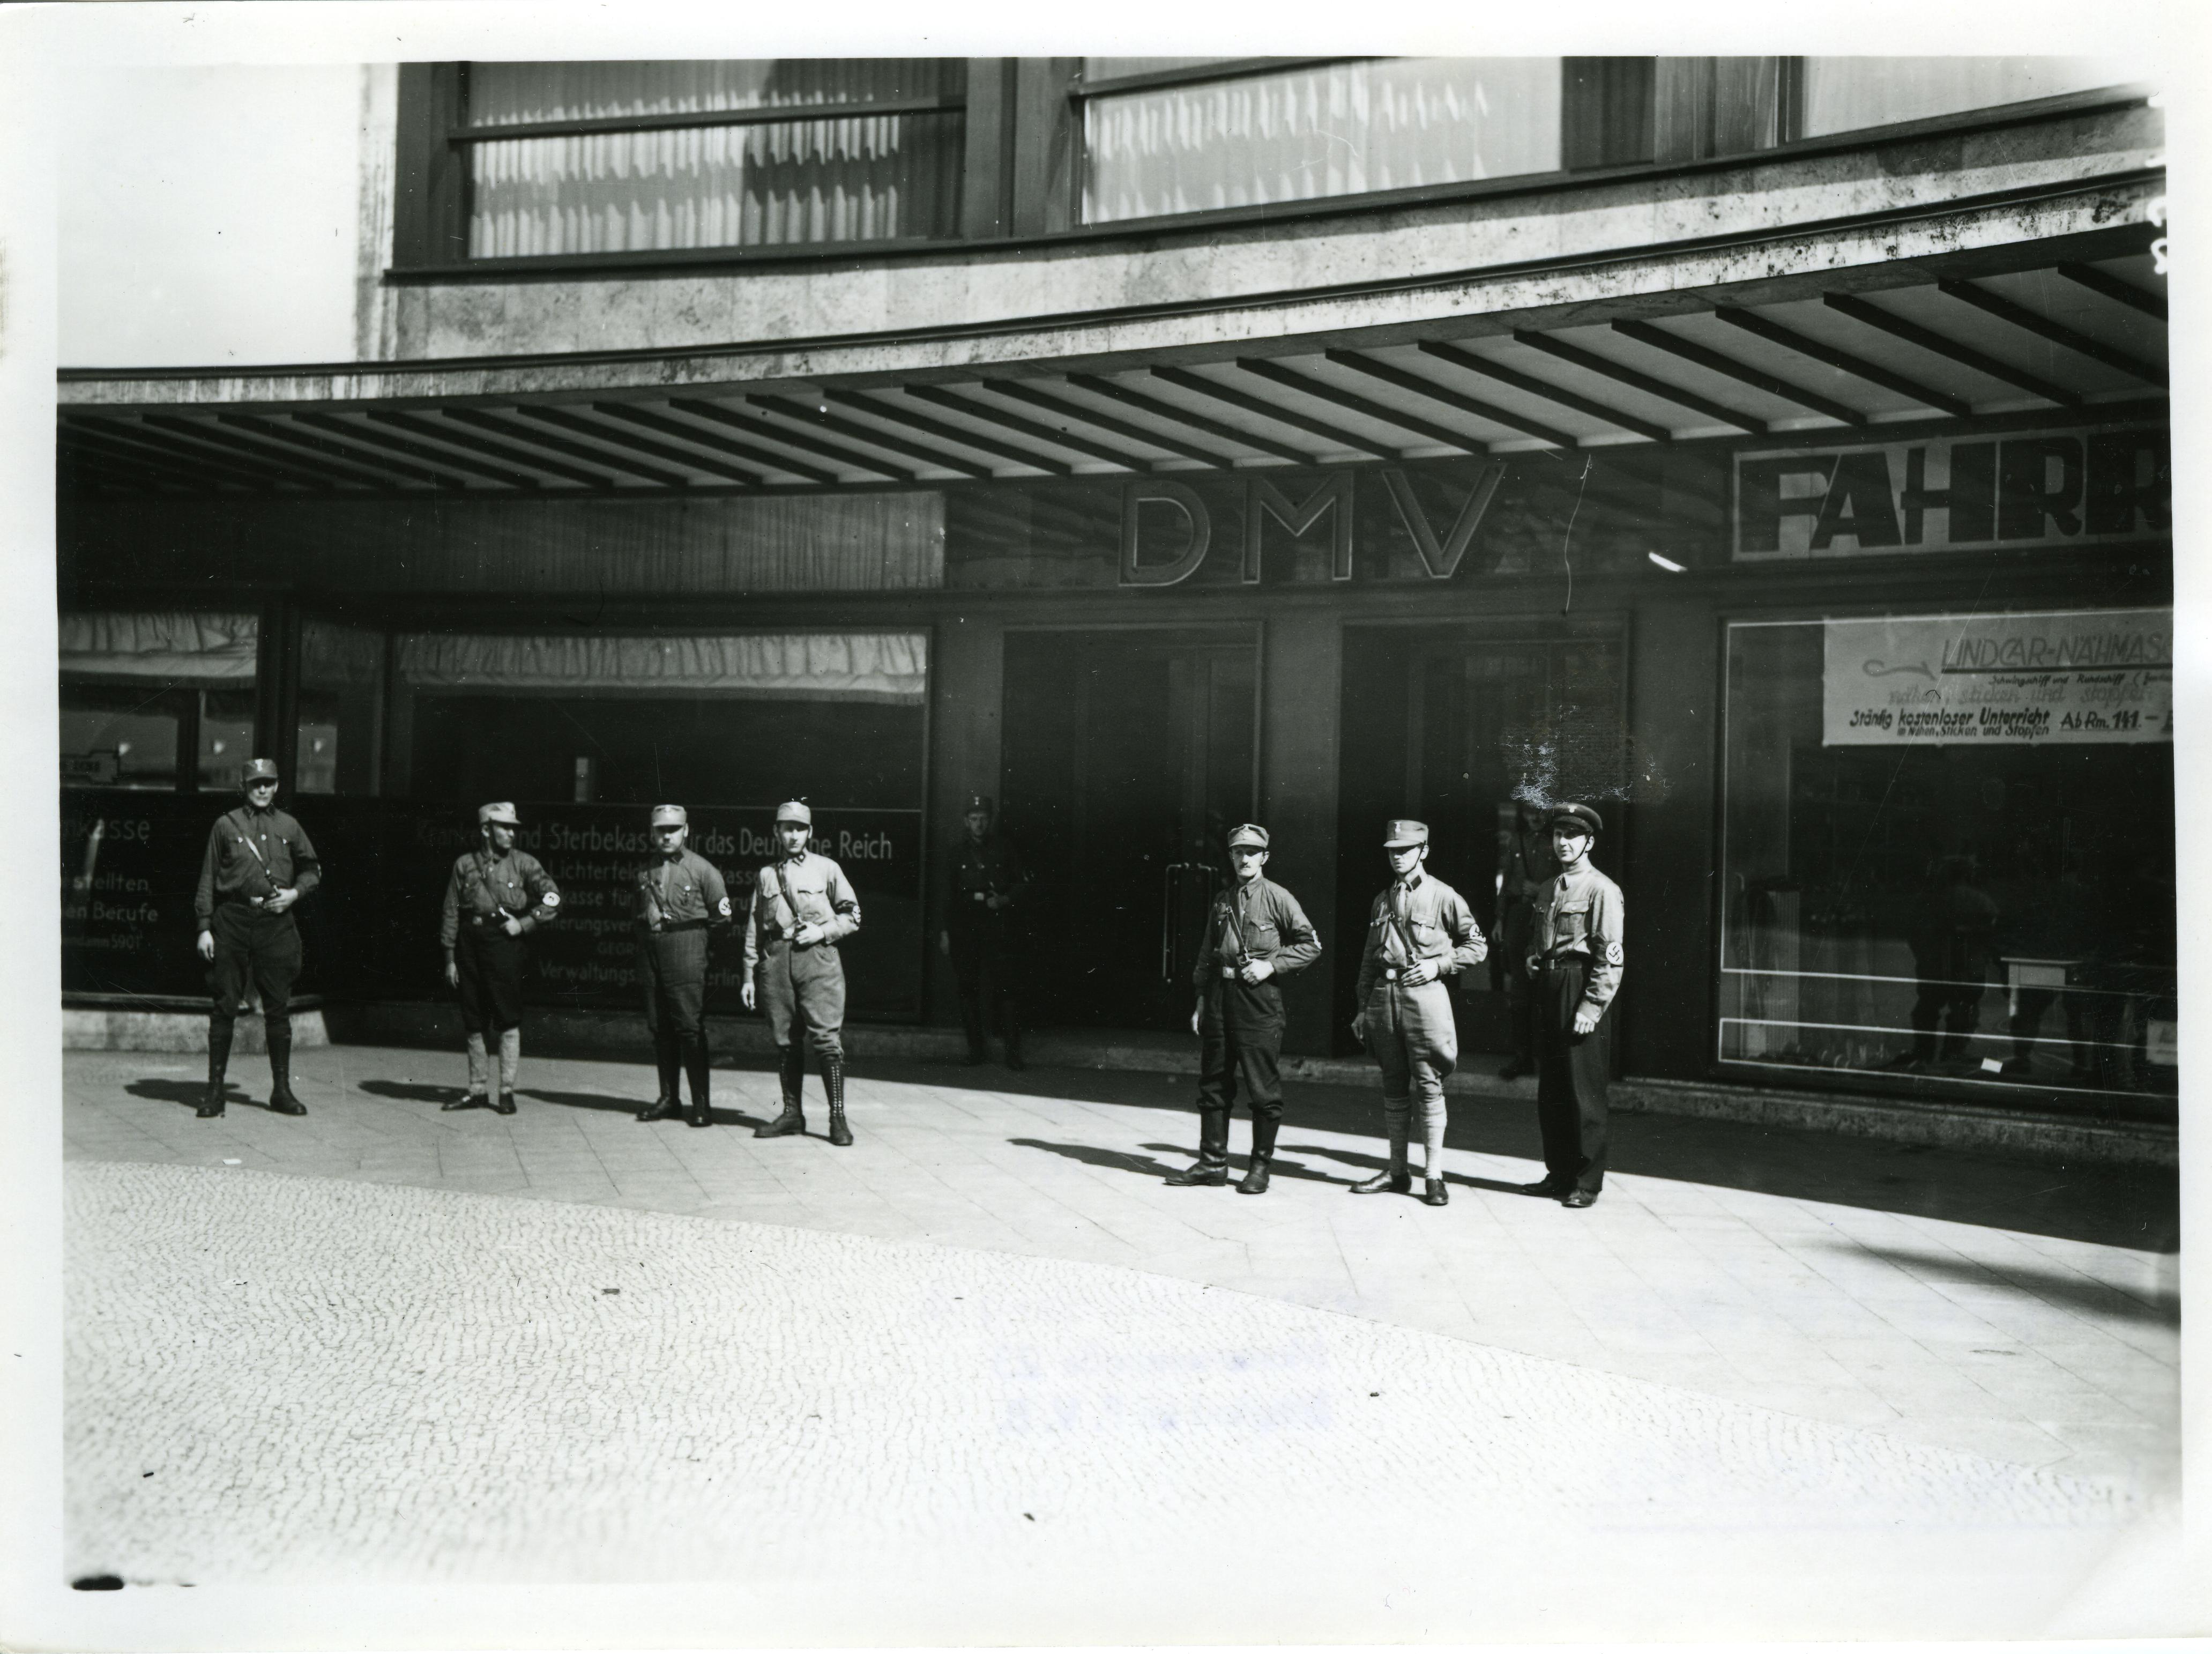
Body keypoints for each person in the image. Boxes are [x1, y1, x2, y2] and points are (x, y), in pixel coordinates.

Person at [1164, 823, 1321, 1196]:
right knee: (1214, 1083)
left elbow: (1310, 944)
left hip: (1259, 1000)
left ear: (1264, 857)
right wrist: (1202, 997)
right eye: (1238, 851)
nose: (1244, 858)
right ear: (1231, 856)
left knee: (1262, 1090)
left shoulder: (1278, 897)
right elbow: (1208, 951)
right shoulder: (1222, 900)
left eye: (1252, 851)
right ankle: (1212, 1162)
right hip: (1220, 996)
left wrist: (1272, 965)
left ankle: (1259, 1167)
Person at [1349, 819, 1485, 1206]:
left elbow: (1477, 946)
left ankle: (1433, 1175)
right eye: (1392, 850)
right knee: (1392, 1083)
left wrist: (1439, 965)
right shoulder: (1381, 899)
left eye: (1406, 850)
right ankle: (1396, 1171)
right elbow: (1367, 960)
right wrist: (1362, 1008)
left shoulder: (1444, 896)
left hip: (1424, 997)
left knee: (1428, 1083)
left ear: (1423, 851)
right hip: (1384, 998)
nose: (1398, 857)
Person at [191, 756, 321, 1119]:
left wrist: (295, 893)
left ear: (277, 786)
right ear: (243, 787)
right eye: (255, 783)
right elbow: (207, 876)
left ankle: (282, 1090)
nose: (262, 789)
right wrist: (204, 927)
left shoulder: (290, 826)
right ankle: (215, 1092)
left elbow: (312, 869)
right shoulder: (225, 825)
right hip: (232, 918)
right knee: (224, 1005)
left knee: (278, 1008)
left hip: (275, 921)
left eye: (268, 782)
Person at [1520, 803, 1624, 1208]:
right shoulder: (1548, 888)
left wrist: (1590, 1007)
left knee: (1584, 1091)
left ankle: (1586, 1181)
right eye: (1558, 835)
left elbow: (1609, 957)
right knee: (1553, 1089)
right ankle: (1558, 1173)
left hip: (1579, 987)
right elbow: (1540, 939)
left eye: (1572, 835)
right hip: (1549, 985)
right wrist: (1533, 957)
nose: (1563, 843)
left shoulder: (1602, 889)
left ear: (1589, 841)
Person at [743, 799, 863, 1146]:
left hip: (818, 959)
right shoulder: (767, 874)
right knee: (785, 1041)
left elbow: (853, 915)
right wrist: (749, 974)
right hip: (777, 961)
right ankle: (792, 1113)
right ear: (776, 832)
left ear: (809, 832)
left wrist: (822, 932)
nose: (793, 834)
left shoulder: (827, 868)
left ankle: (837, 1118)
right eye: (787, 828)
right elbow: (754, 927)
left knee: (826, 1041)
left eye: (800, 828)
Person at [438, 802, 561, 1114]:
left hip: (505, 945)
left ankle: (506, 1091)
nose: (511, 833)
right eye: (504, 827)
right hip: (470, 944)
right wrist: (450, 957)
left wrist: (526, 922)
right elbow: (452, 911)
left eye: (514, 828)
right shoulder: (464, 865)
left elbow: (553, 897)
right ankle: (477, 1090)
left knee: (507, 1019)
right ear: (485, 830)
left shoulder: (524, 864)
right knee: (473, 1019)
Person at [632, 804, 732, 1128]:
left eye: (673, 829)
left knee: (689, 1027)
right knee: (660, 1026)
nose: (666, 836)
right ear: (653, 832)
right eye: (661, 830)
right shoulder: (645, 870)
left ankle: (701, 1104)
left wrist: (698, 945)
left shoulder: (703, 870)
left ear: (686, 831)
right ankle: (669, 1099)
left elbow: (722, 918)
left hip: (687, 946)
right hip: (653, 949)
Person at [939, 792, 1030, 1069]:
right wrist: (945, 932)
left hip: (996, 925)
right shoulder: (956, 854)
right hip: (966, 926)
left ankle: (1012, 1053)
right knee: (968, 988)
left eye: (983, 819)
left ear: (990, 821)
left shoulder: (1004, 849)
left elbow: (1022, 883)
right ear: (966, 821)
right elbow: (948, 896)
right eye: (974, 819)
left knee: (1006, 988)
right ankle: (976, 1051)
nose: (979, 824)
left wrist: (1003, 899)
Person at [1493, 800, 1558, 1080]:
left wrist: (1542, 889)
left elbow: (1569, 878)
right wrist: (1500, 919)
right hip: (1518, 916)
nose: (1535, 817)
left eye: (1541, 811)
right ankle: (1522, 1058)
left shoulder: (1558, 842)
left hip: (1547, 915)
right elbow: (1506, 880)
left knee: (1548, 986)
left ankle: (1549, 1059)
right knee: (1519, 990)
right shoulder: (1516, 842)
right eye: (1530, 811)